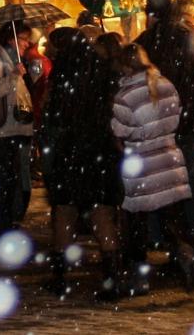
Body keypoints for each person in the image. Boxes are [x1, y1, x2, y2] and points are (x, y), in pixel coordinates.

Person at [41, 27, 123, 299]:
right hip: (100, 147)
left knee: (65, 211)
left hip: (72, 148)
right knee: (101, 212)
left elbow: (55, 114)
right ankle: (111, 277)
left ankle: (61, 277)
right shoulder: (103, 72)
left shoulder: (64, 73)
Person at [111, 44, 194, 295]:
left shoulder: (124, 95)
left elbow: (120, 131)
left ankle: (139, 278)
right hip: (170, 158)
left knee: (135, 224)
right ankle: (185, 254)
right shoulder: (167, 84)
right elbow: (177, 117)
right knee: (170, 219)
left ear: (125, 65)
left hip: (141, 163)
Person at [136, 0, 194, 235]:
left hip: (155, 123)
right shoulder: (186, 39)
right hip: (183, 121)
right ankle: (188, 232)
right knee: (187, 181)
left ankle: (158, 233)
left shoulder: (145, 41)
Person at [0, 21, 36, 236]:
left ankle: (4, 221)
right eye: (23, 39)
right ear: (11, 39)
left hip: (10, 130)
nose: (27, 44)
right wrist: (13, 76)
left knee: (9, 180)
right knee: (2, 181)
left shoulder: (10, 60)